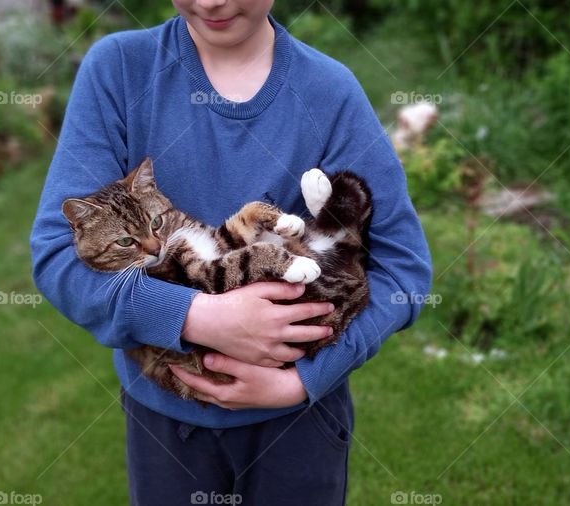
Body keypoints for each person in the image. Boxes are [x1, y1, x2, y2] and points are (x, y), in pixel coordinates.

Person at [30, 1, 432, 504]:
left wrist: (307, 380)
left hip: (300, 425)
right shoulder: (120, 70)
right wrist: (196, 317)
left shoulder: (329, 92)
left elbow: (405, 269)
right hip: (168, 426)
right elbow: (57, 256)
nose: (210, 2)